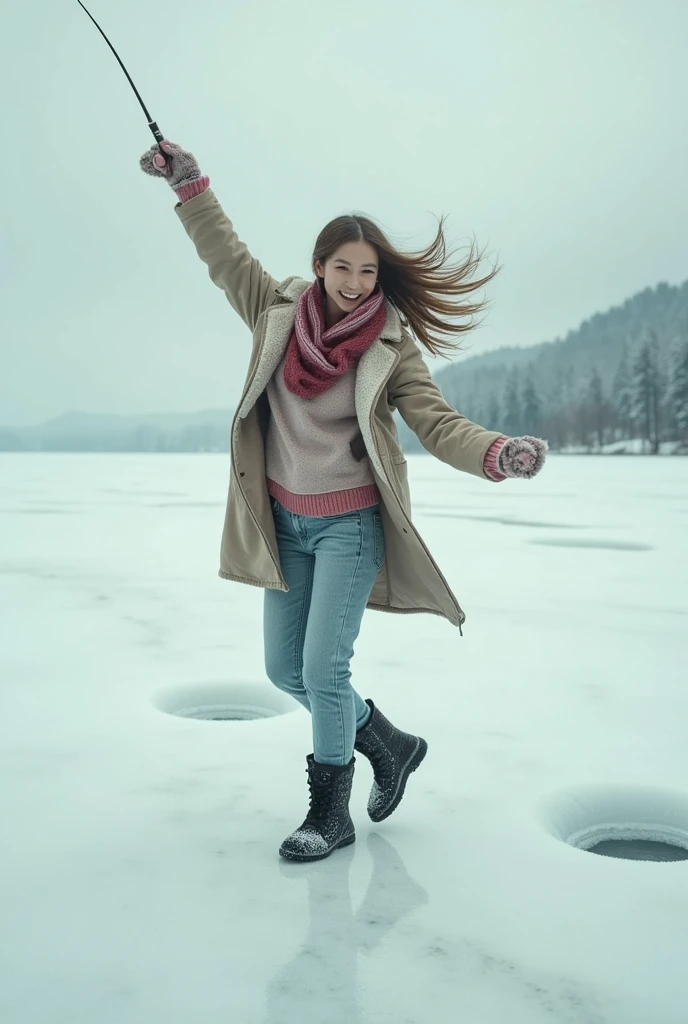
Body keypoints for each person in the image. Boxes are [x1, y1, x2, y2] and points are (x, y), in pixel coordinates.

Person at [140, 140, 548, 863]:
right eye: (343, 268)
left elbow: (433, 420)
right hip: (284, 526)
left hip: (350, 529)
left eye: (368, 271)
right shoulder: (274, 310)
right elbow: (224, 254)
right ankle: (387, 741)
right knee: (283, 671)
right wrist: (189, 184)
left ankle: (330, 815)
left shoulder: (391, 344)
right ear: (320, 266)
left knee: (324, 672)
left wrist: (494, 452)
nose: (357, 283)